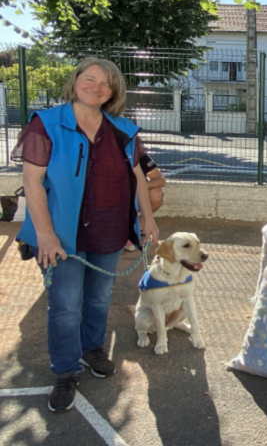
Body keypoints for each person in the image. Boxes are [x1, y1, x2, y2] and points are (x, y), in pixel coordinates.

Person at [13, 58, 160, 413]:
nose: (96, 87)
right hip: (61, 235)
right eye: (89, 79)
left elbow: (139, 177)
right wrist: (45, 236)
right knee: (65, 306)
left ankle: (92, 347)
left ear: (114, 92)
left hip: (109, 228)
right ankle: (65, 370)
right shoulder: (46, 125)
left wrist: (147, 218)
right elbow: (32, 183)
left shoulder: (123, 129)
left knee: (98, 298)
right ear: (75, 80)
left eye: (105, 84)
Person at [124, 152, 166, 251]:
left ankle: (139, 226)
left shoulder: (138, 154)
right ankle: (123, 232)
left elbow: (161, 180)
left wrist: (138, 188)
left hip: (134, 195)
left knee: (156, 193)